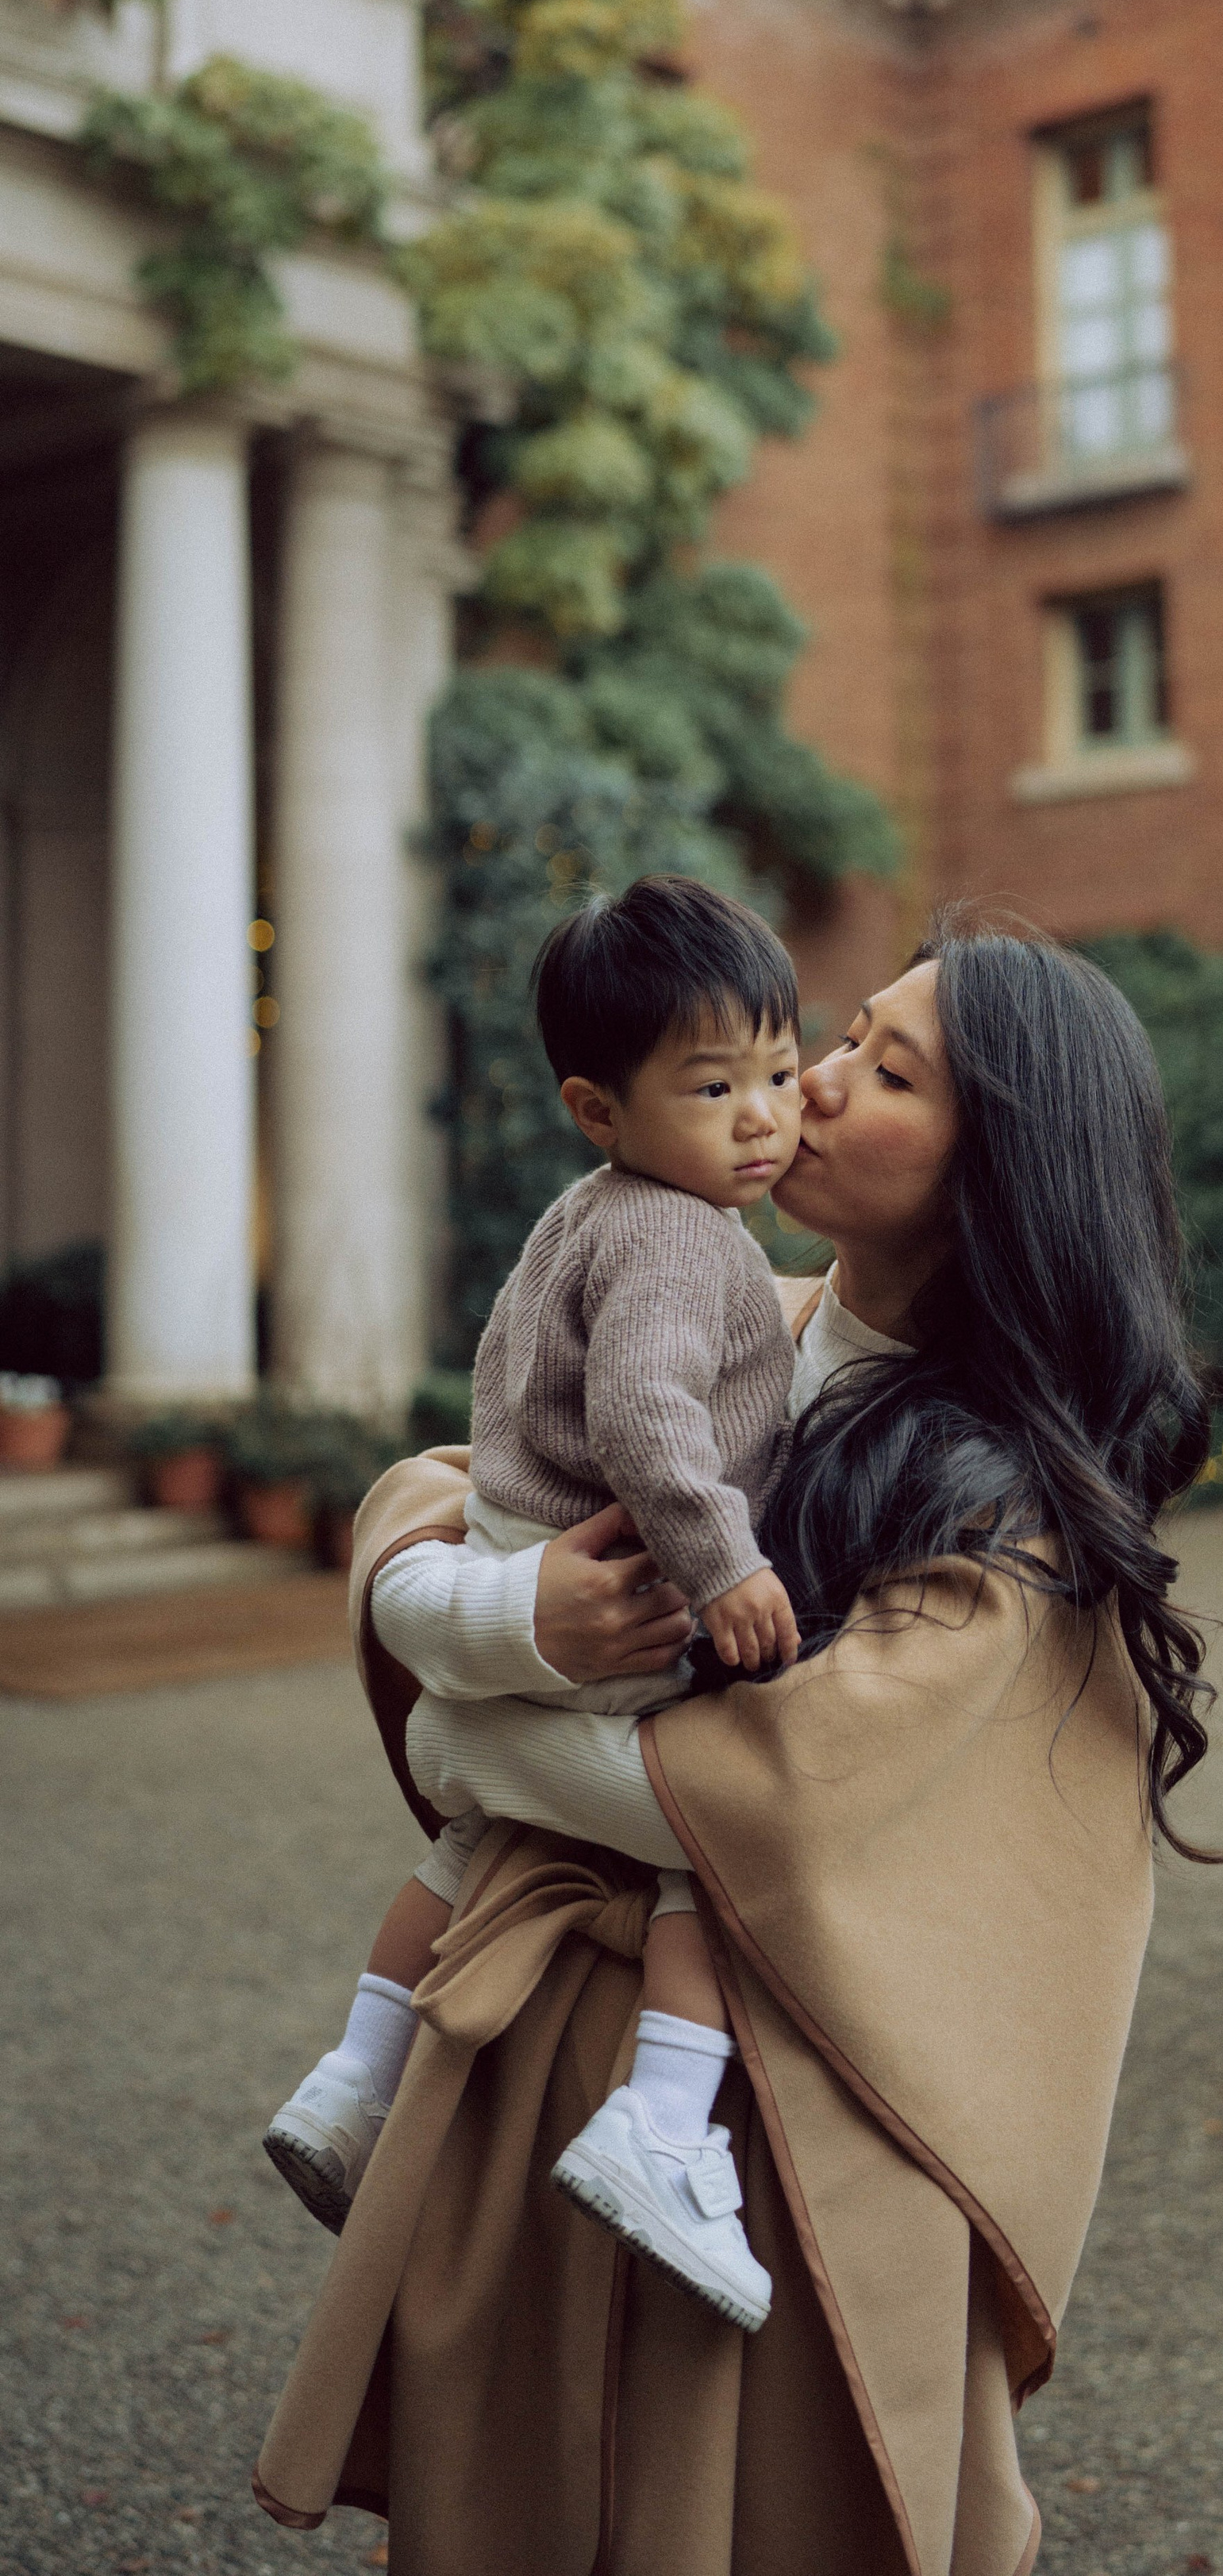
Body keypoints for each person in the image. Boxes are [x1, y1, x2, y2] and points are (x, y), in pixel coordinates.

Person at [256, 920, 1218, 2576]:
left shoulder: (1006, 1517)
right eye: (842, 1033)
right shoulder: (709, 1308)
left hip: (773, 2147)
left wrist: (479, 1723)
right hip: (536, 2081)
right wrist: (515, 1627)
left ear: (1005, 1169)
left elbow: (746, 1804)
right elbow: (423, 1506)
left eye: (885, 1071)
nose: (810, 1082)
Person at [265, 876, 806, 2331]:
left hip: (516, 1546)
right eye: (715, 1085)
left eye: (776, 1069)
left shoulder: (591, 1215)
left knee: (467, 1842)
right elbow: (643, 1418)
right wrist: (728, 1564)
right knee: (717, 1861)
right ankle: (665, 2127)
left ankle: (353, 2078)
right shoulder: (691, 1239)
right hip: (619, 1595)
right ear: (598, 1107)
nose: (766, 1113)